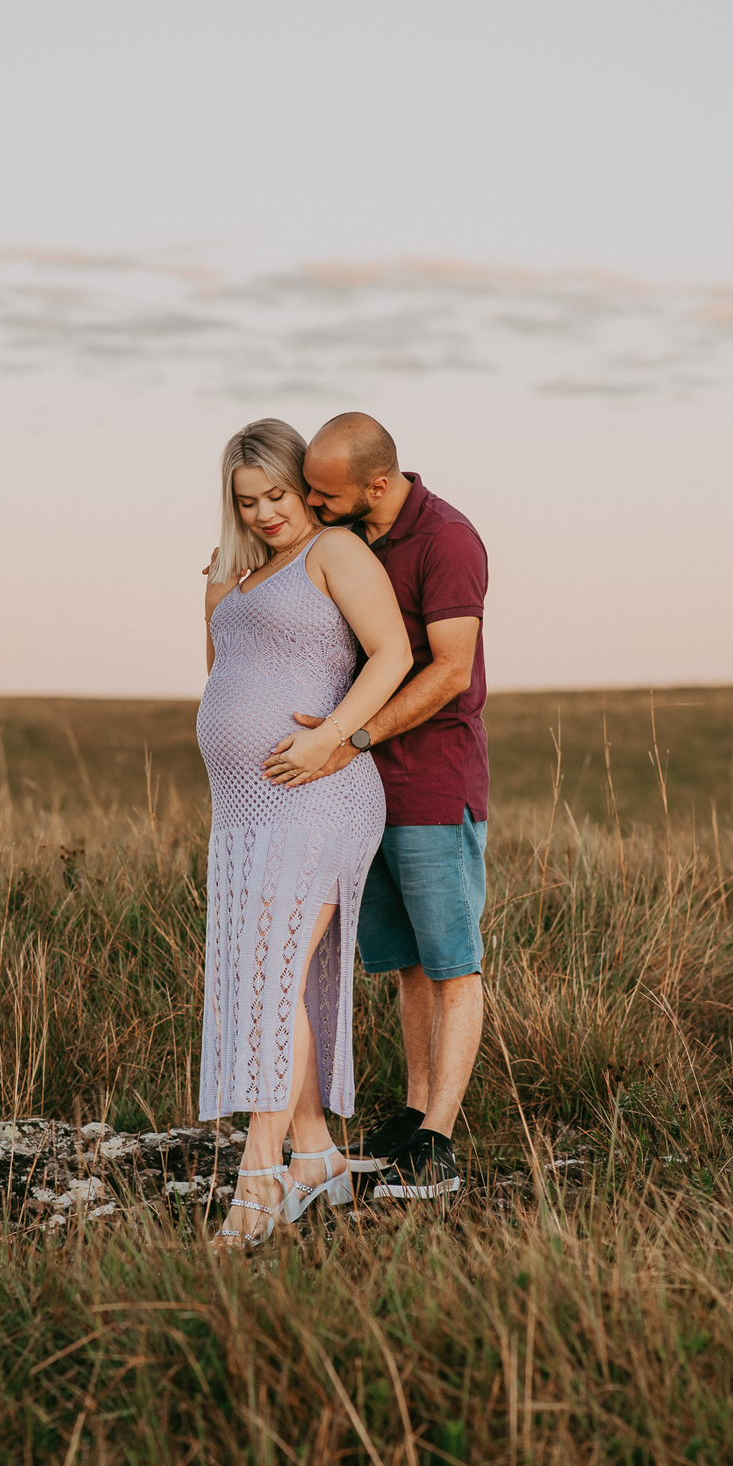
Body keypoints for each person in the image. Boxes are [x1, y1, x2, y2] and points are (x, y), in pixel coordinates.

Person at [197, 418, 412, 1249]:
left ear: (303, 484)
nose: (264, 513)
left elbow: (391, 654)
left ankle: (258, 1178)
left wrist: (333, 738)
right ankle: (315, 1150)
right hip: (246, 809)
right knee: (272, 977)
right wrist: (219, 590)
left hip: (321, 794)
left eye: (277, 495)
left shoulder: (335, 554)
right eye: (246, 502)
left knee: (270, 972)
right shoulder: (237, 576)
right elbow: (225, 675)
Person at [263, 412, 489, 1202]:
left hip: (431, 780)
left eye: (325, 495)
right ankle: (413, 1111)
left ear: (378, 485)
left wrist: (348, 738)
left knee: (452, 962)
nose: (315, 507)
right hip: (363, 794)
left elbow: (449, 671)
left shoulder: (448, 540)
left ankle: (439, 1139)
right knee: (404, 964)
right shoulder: (351, 541)